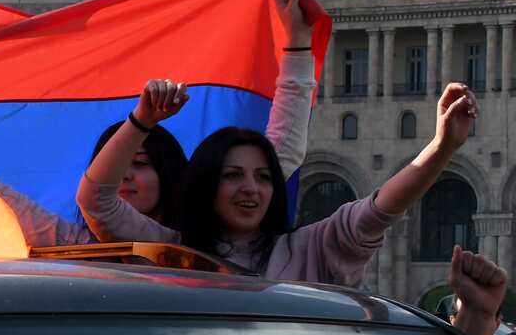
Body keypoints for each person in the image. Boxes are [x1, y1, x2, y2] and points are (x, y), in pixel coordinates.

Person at [0, 0, 314, 247]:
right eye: (114, 168)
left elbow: (280, 153)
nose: (124, 178)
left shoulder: (206, 242)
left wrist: (295, 46)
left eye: (139, 164)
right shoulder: (75, 244)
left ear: (174, 173)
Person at [81, 71, 476, 284]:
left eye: (264, 177)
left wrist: (442, 147)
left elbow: (377, 210)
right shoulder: (168, 252)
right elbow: (96, 200)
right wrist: (142, 120)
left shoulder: (311, 249)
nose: (251, 188)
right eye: (232, 175)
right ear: (204, 186)